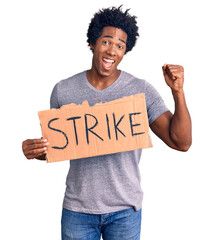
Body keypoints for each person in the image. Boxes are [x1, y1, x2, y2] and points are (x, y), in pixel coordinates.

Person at [22, 6, 192, 240]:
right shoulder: (63, 90)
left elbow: (180, 142)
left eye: (120, 46)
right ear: (93, 42)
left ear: (125, 51)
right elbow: (59, 146)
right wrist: (36, 150)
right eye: (106, 42)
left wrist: (178, 92)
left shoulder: (140, 90)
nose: (112, 51)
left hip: (125, 210)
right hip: (77, 210)